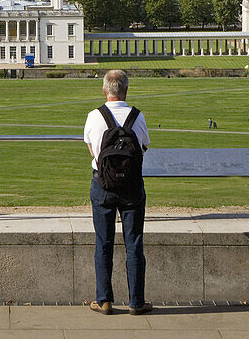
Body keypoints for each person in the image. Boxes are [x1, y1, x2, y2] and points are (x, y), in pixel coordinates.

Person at [83, 70, 152, 316]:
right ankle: (136, 301)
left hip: (102, 184)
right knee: (134, 243)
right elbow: (143, 147)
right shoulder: (137, 116)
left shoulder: (95, 116)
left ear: (105, 90)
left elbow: (93, 150)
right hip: (132, 186)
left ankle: (104, 300)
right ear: (126, 90)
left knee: (103, 242)